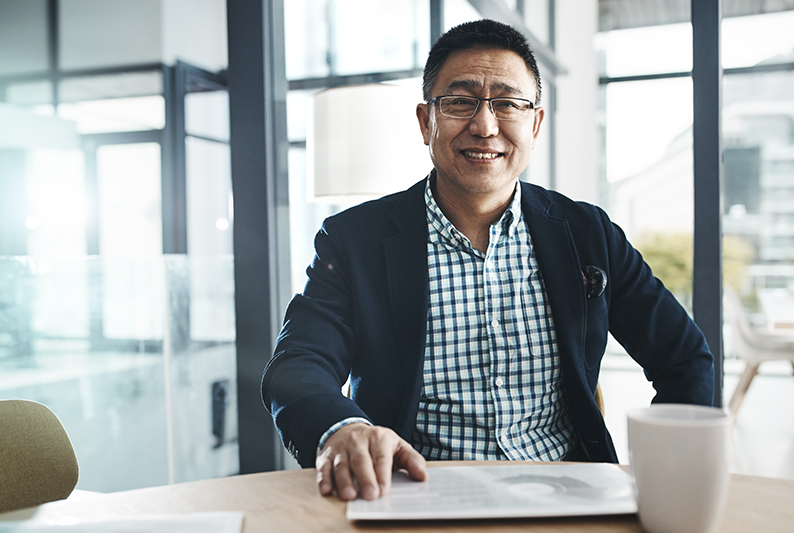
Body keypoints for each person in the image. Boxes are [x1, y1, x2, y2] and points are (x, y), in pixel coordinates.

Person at [262, 19, 714, 502]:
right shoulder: (354, 240)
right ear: (425, 121)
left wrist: (667, 467)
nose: (484, 125)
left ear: (535, 123)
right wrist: (341, 429)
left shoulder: (588, 233)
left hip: (566, 498)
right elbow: (297, 364)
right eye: (459, 102)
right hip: (410, 496)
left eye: (508, 103)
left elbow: (684, 358)